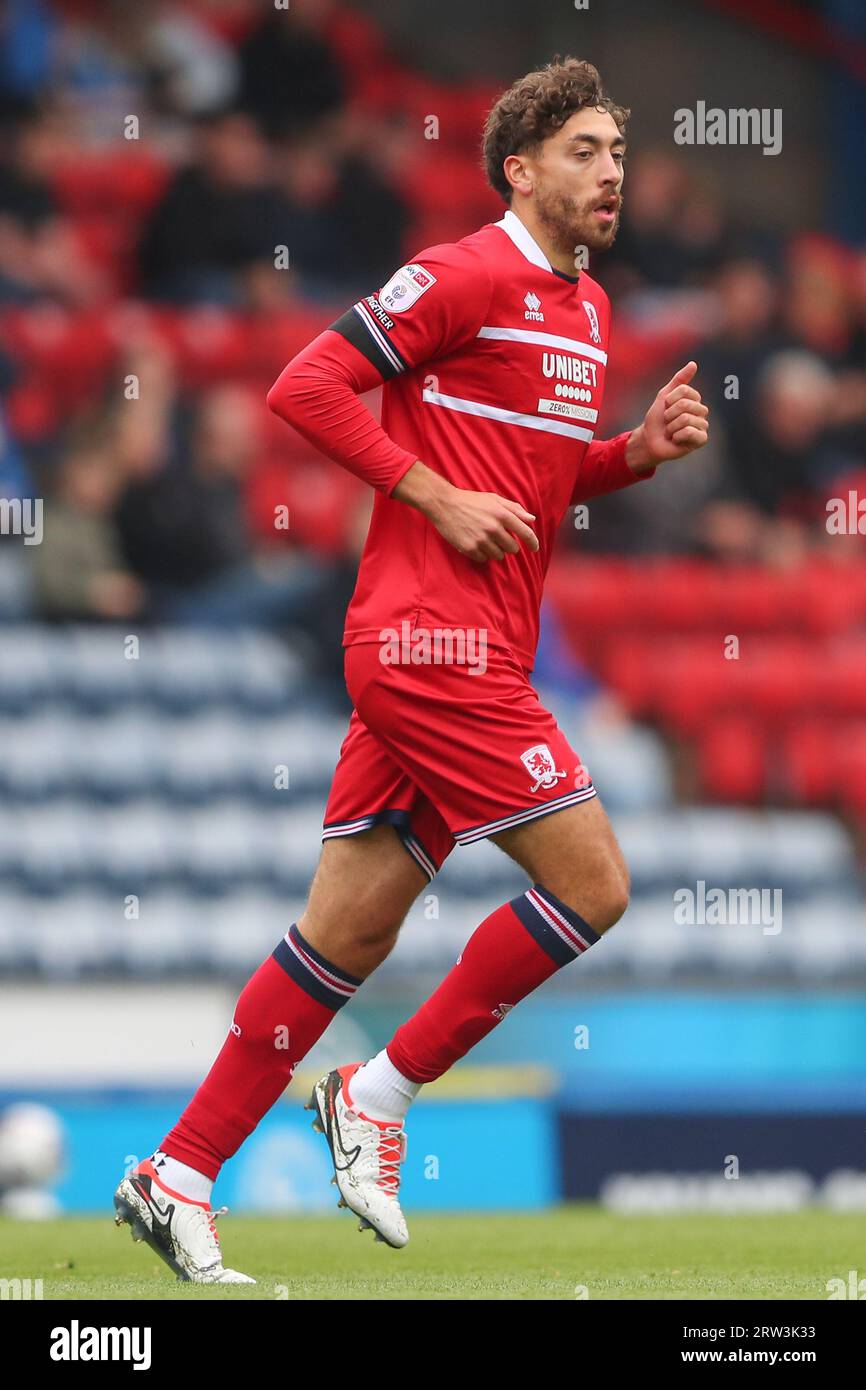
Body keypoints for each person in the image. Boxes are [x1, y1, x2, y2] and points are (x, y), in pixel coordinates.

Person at [114, 55, 709, 1283]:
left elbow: (535, 480)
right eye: (587, 151)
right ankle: (377, 1094)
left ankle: (175, 1171)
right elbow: (306, 384)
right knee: (592, 885)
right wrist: (428, 493)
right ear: (520, 169)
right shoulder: (460, 272)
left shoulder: (585, 310)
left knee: (343, 936)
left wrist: (628, 457)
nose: (612, 170)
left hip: (474, 645)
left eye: (617, 149)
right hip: (425, 645)